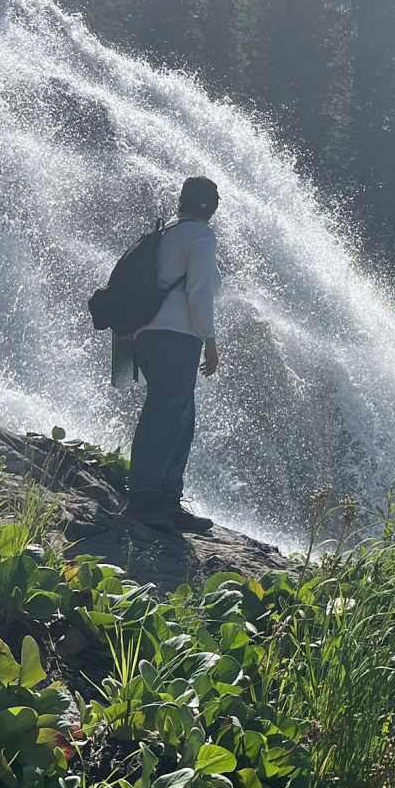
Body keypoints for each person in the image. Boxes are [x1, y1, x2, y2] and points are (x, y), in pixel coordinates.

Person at [126, 176, 222, 533]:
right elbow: (199, 291)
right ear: (210, 208)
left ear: (181, 201)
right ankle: (146, 496)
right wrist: (209, 338)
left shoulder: (166, 232)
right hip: (177, 334)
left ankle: (166, 498)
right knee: (167, 413)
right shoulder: (201, 236)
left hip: (147, 333)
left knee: (179, 415)